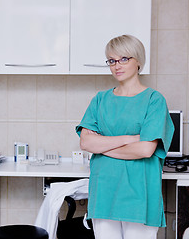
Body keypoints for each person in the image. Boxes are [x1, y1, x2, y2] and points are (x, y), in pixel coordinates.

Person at [75, 35, 174, 239]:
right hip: (104, 194)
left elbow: (146, 150)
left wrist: (102, 146)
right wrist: (130, 138)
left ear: (138, 60)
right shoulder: (100, 100)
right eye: (111, 61)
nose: (116, 66)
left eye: (123, 59)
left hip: (139, 195)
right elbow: (86, 142)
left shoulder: (154, 101)